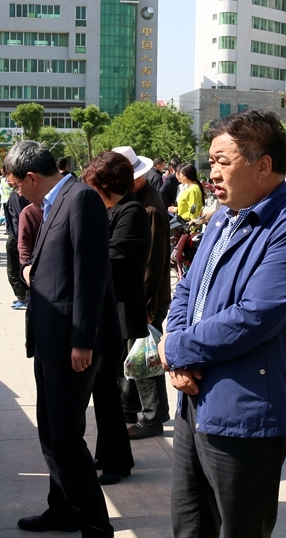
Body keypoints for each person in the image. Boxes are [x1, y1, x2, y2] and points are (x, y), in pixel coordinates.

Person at [126, 109, 286, 538]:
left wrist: (177, 350)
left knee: (244, 529)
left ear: (263, 165)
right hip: (196, 393)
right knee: (189, 510)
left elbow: (254, 317)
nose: (211, 172)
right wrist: (175, 347)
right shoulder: (224, 216)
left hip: (246, 406)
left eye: (222, 161)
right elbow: (188, 288)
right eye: (210, 161)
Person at [6, 140, 120, 538]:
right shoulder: (54, 201)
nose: (17, 192)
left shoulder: (81, 199)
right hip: (50, 338)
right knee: (51, 431)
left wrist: (83, 340)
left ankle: (97, 529)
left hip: (72, 343)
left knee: (67, 438)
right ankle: (63, 508)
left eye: (16, 184)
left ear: (32, 177)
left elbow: (92, 275)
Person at [81, 150, 149, 485]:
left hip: (118, 312)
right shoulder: (114, 210)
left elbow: (113, 260)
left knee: (106, 390)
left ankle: (115, 461)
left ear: (107, 184)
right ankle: (112, 455)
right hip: (109, 309)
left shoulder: (131, 212)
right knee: (104, 389)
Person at [113, 146, 172, 439]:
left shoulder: (148, 208)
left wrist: (146, 304)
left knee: (145, 355)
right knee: (131, 353)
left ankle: (153, 416)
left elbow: (152, 262)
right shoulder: (137, 201)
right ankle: (130, 407)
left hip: (147, 297)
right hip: (138, 295)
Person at [4, 189, 30, 309]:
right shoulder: (26, 193)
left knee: (13, 270)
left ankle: (22, 297)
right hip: (21, 235)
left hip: (16, 236)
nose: (7, 181)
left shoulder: (17, 196)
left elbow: (20, 217)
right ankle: (23, 296)